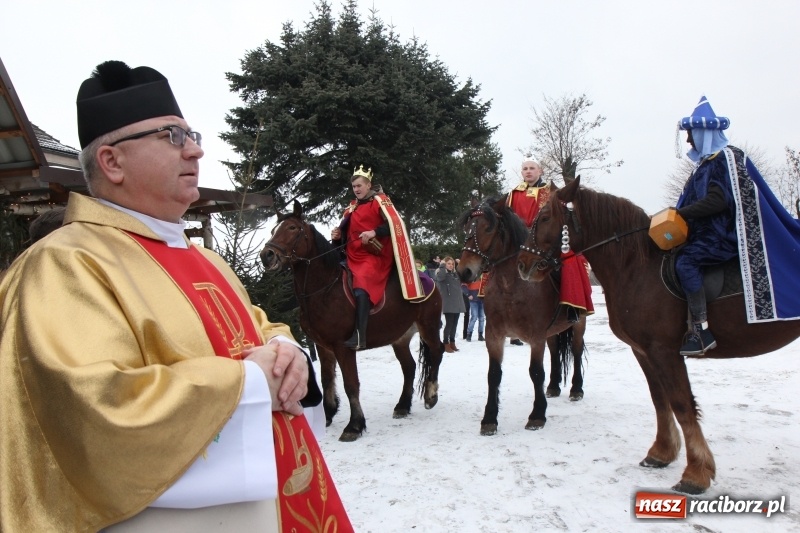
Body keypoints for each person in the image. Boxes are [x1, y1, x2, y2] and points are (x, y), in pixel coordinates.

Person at [0, 60, 351, 532]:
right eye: (172, 137)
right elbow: (92, 412)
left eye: (193, 135)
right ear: (112, 162)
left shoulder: (204, 260)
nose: (195, 152)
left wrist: (285, 349)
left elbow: (254, 326)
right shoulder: (64, 264)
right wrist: (247, 383)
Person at [670, 95, 800, 356]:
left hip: (720, 236)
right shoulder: (706, 165)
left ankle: (701, 330)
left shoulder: (722, 160)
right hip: (704, 234)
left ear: (703, 132)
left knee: (686, 262)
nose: (688, 140)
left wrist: (681, 213)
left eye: (691, 134)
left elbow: (718, 201)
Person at [331, 165, 423, 350]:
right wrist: (337, 235)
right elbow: (346, 234)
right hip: (352, 254)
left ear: (368, 185)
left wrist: (374, 231)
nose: (356, 189)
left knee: (362, 283)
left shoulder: (381, 201)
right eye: (354, 186)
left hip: (374, 255)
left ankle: (360, 335)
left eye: (359, 185)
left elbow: (395, 224)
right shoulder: (351, 207)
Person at [507, 157, 594, 324]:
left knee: (569, 260)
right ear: (522, 172)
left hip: (544, 238)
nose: (528, 171)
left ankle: (572, 305)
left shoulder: (551, 191)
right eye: (525, 169)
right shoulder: (513, 193)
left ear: (540, 171)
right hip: (519, 241)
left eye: (532, 168)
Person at [435, 256, 466, 352]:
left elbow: (465, 277)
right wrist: (442, 265)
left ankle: (452, 342)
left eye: (452, 264)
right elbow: (440, 278)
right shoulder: (442, 273)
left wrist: (461, 265)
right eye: (449, 263)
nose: (451, 265)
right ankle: (445, 343)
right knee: (449, 324)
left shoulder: (455, 274)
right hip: (448, 303)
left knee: (455, 324)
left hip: (457, 302)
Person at [464, 272, 487, 341]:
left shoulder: (484, 276)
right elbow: (463, 286)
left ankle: (480, 335)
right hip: (473, 299)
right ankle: (469, 334)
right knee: (474, 316)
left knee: (482, 318)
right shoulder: (470, 275)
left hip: (482, 299)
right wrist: (468, 294)